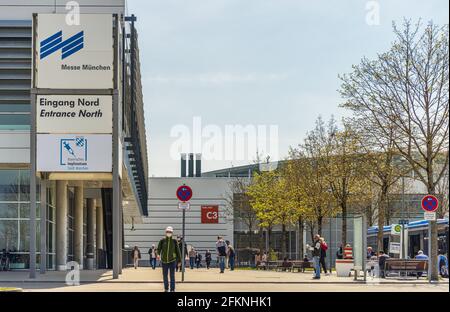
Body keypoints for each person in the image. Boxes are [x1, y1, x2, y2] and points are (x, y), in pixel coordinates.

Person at [157, 226, 181, 292]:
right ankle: (166, 288)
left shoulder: (174, 241)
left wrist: (179, 261)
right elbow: (158, 249)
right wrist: (158, 254)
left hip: (172, 261)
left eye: (170, 232)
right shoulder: (162, 241)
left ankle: (172, 289)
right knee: (165, 276)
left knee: (172, 276)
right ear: (165, 232)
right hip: (164, 261)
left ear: (172, 233)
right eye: (167, 232)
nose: (169, 233)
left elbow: (178, 251)